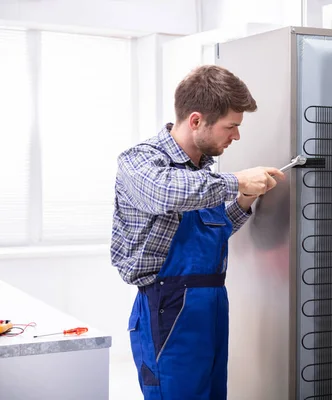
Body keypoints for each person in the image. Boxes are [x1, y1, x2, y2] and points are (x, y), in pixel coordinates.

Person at [110, 65, 285, 399]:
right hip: (167, 306)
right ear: (195, 120)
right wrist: (236, 181)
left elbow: (210, 234)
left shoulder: (203, 175)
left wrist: (245, 200)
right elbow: (164, 193)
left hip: (212, 304)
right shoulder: (140, 161)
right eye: (230, 126)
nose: (236, 136)